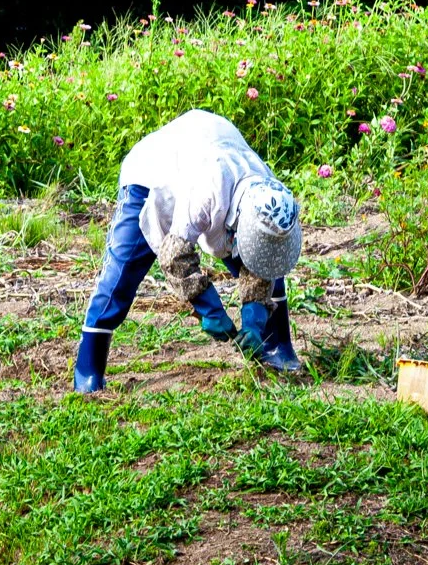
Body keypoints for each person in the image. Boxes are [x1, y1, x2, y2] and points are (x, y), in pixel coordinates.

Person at [74, 108, 304, 392]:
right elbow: (174, 256)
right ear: (238, 226)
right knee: (121, 276)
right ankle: (88, 371)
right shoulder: (208, 189)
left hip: (209, 147)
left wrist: (254, 319)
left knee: (269, 258)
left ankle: (274, 348)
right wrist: (209, 306)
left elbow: (263, 261)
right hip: (153, 174)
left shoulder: (269, 194)